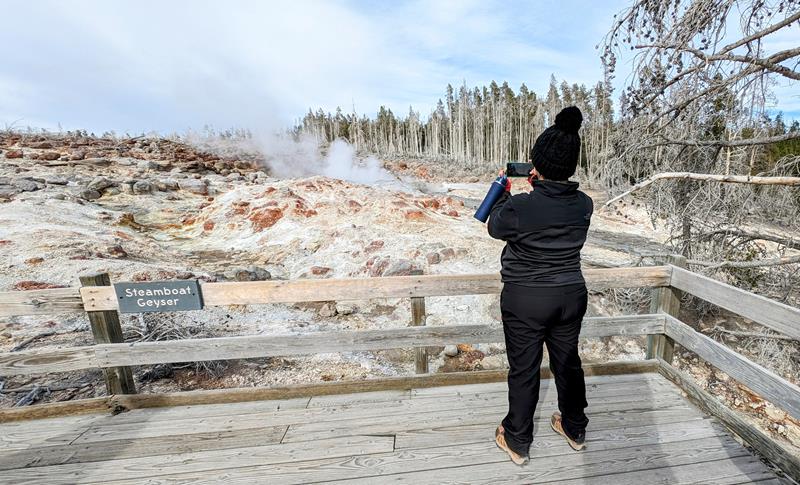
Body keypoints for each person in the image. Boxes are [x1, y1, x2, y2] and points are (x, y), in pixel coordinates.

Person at [488, 106, 592, 465]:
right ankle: (575, 428)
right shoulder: (585, 205)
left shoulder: (520, 206)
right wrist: (542, 186)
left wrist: (505, 190)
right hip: (571, 295)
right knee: (567, 362)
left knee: (525, 368)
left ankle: (517, 439)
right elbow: (555, 211)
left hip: (526, 299)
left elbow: (495, 225)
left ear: (536, 165)